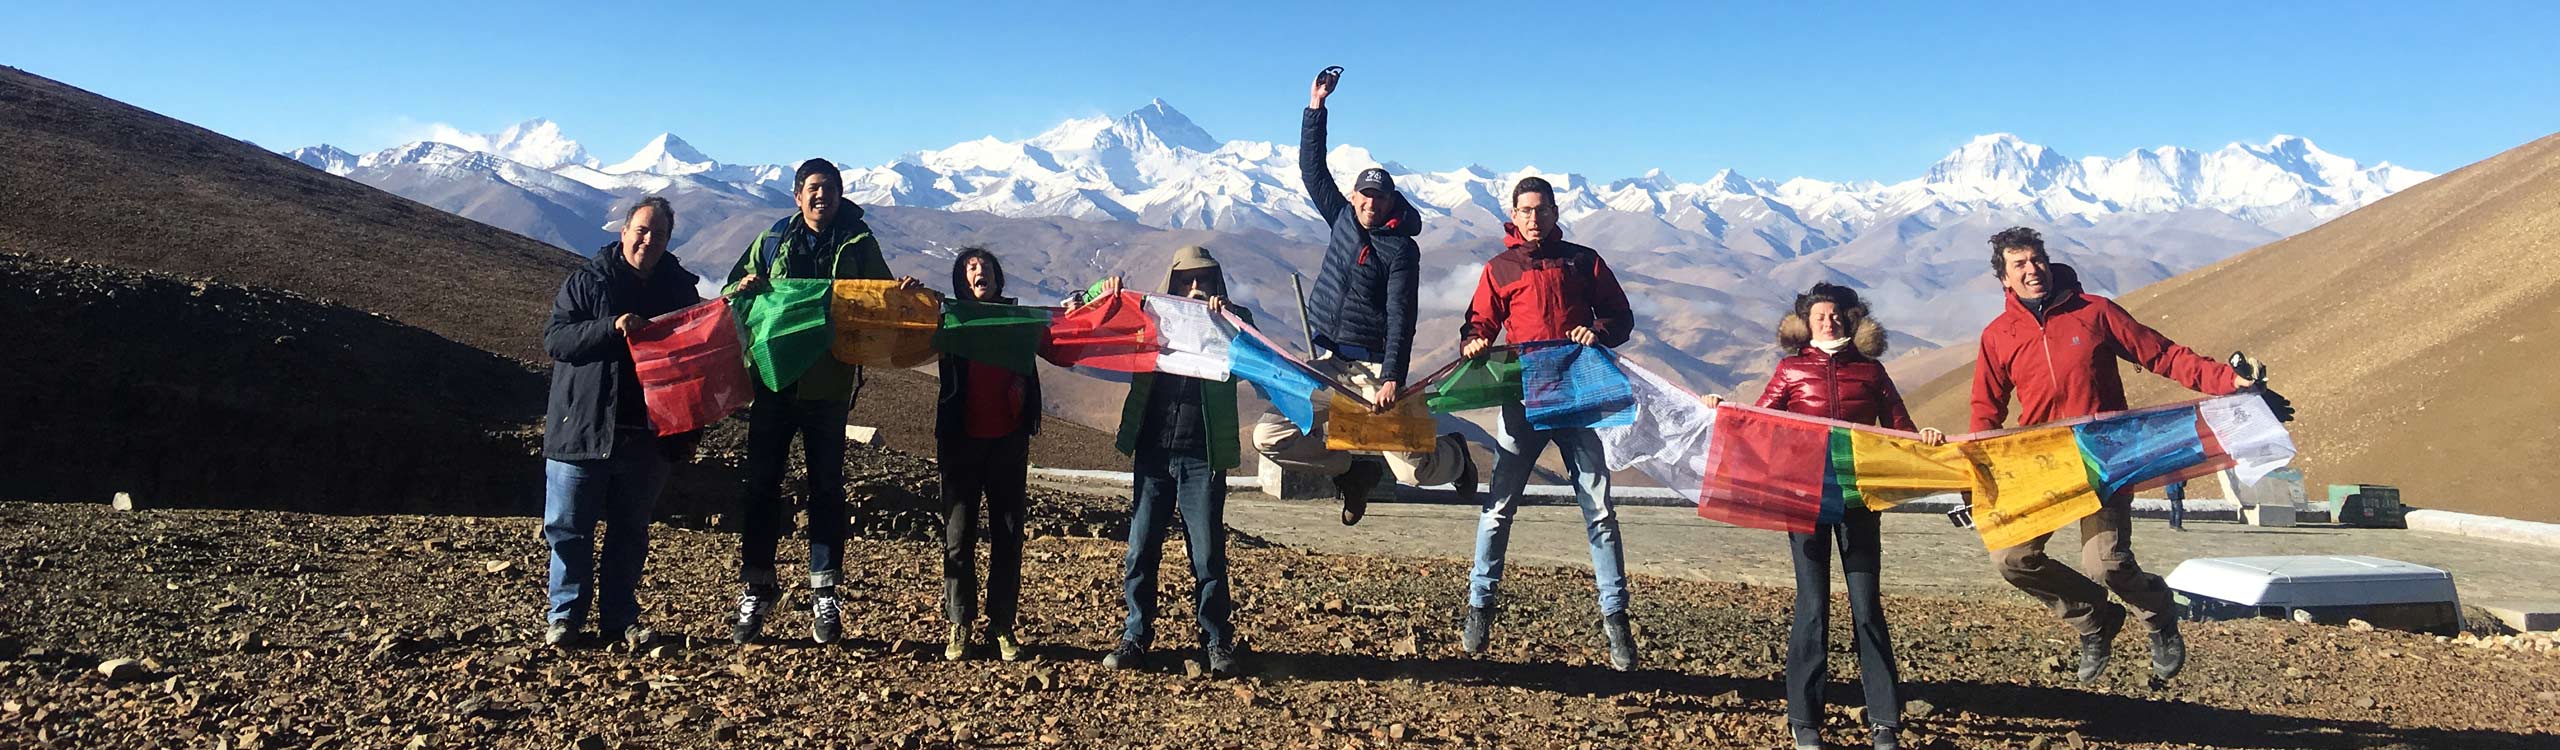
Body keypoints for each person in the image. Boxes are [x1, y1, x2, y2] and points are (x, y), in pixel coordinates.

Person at [1969, 226, 2293, 684]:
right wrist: (1978, 473)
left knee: (2106, 564)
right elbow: (1985, 410)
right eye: (2019, 264)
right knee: (2012, 558)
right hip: (2043, 462)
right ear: (2004, 278)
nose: (2032, 270)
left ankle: (2160, 616)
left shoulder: (2094, 312)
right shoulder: (1998, 335)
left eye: (2036, 259)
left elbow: (2163, 355)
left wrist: (2229, 382)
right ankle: (2094, 619)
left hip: (2107, 457)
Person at [1707, 283, 1941, 750]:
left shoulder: (1870, 372)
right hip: (1805, 499)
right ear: (1806, 322)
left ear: (1851, 320)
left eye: (1835, 315)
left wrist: (1928, 439)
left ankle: (1885, 722)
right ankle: (1805, 721)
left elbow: (1901, 429)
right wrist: (1722, 411)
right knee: (1812, 608)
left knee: (1867, 607)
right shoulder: (1791, 370)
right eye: (1819, 316)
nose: (1828, 322)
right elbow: (1758, 421)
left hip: (1859, 501)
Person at [1253, 65, 1477, 527]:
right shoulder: (1342, 218)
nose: (1369, 205)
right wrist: (1317, 106)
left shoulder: (1401, 250)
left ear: (1392, 202)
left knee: (1413, 470)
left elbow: (1402, 314)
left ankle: (1455, 457)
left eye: (1379, 198)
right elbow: (1312, 171)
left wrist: (1393, 374)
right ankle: (1352, 469)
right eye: (1363, 197)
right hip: (1330, 362)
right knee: (1270, 435)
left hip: (1375, 369)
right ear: (1353, 197)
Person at [723, 158, 928, 645]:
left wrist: (903, 294)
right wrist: (742, 288)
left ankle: (824, 590)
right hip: (774, 382)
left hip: (829, 385)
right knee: (761, 487)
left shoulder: (858, 242)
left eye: (830, 189)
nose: (822, 196)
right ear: (797, 195)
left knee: (827, 489)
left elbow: (881, 295)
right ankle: (757, 586)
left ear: (840, 195)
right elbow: (734, 289)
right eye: (814, 188)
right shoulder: (771, 240)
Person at [1455, 176, 1642, 671]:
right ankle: (1480, 605)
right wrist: (1473, 341)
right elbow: (1478, 322)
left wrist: (1596, 330)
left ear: (1555, 212)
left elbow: (1621, 317)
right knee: (1498, 505)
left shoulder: (1584, 260)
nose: (1534, 218)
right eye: (1525, 210)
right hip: (1524, 397)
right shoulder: (1500, 268)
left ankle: (1615, 618)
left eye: (1541, 209)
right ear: (1512, 216)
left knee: (1600, 508)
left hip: (1579, 395)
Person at [539, 197, 700, 649]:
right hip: (583, 428)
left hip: (646, 434)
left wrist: (688, 430)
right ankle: (566, 617)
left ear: (669, 240)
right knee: (569, 529)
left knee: (629, 532)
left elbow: (692, 359)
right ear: (624, 230)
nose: (648, 240)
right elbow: (557, 339)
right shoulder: (587, 281)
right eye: (642, 230)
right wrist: (611, 327)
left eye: (659, 234)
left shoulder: (678, 289)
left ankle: (619, 618)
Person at [1082, 246, 1251, 676]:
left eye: (1204, 281)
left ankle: (1216, 640)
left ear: (1216, 285)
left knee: (1208, 553)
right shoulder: (1150, 317)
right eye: (1185, 281)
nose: (1194, 289)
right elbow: (1086, 309)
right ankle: (1136, 637)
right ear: (1171, 284)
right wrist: (1106, 289)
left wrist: (1227, 313)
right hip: (1154, 450)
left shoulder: (1227, 321)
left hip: (1203, 453)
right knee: (1141, 548)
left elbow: (1254, 343)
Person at [937, 247, 1042, 662]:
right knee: (958, 538)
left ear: (999, 277)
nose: (979, 273)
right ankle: (959, 622)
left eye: (985, 267)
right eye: (970, 268)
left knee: (1008, 536)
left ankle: (1002, 624)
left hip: (1008, 443)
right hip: (960, 441)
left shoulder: (1018, 322)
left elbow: (1059, 330)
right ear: (962, 282)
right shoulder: (950, 320)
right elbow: (906, 327)